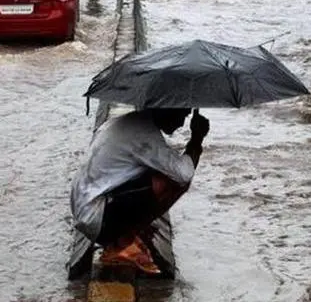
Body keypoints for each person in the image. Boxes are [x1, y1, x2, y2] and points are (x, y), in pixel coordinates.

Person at [70, 108, 210, 274]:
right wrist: (196, 139)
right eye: (181, 115)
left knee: (159, 172)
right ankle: (121, 244)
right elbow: (184, 174)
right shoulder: (144, 134)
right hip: (96, 218)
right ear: (166, 110)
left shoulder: (131, 123)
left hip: (87, 207)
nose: (181, 124)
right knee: (170, 182)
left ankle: (127, 234)